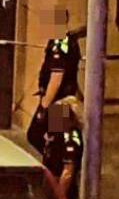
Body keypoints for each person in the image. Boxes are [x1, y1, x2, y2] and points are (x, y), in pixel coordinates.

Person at [27, 22, 83, 152]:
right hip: (65, 98)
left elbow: (57, 78)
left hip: (58, 102)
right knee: (56, 138)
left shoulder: (59, 45)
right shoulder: (69, 42)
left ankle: (58, 167)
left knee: (38, 136)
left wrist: (44, 106)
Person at [42, 96, 83, 199]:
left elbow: (68, 171)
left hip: (61, 188)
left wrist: (59, 198)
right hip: (50, 183)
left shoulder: (70, 137)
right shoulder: (55, 133)